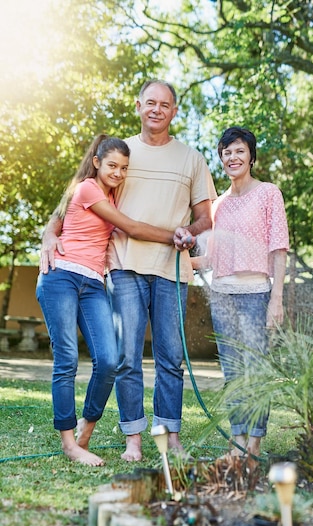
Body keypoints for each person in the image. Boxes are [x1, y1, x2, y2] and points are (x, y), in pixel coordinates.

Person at [41, 80, 217, 462]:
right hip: (124, 267)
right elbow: (70, 206)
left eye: (165, 104)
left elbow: (205, 217)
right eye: (150, 102)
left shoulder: (191, 159)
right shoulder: (119, 154)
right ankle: (133, 439)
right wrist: (47, 236)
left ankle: (171, 436)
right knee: (126, 358)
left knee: (171, 358)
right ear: (138, 106)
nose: (157, 109)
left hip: (172, 270)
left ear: (174, 111)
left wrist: (191, 230)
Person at [37, 134, 175, 466]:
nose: (118, 172)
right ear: (97, 163)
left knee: (110, 360)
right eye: (112, 165)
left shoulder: (110, 197)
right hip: (62, 278)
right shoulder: (87, 188)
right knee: (67, 359)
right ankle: (70, 443)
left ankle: (87, 425)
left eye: (124, 168)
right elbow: (131, 228)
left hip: (94, 283)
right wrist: (177, 235)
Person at [192, 126, 289, 459]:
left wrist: (276, 299)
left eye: (239, 151)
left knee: (256, 372)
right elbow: (213, 258)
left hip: (256, 294)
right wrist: (180, 258)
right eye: (226, 152)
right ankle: (237, 443)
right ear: (221, 158)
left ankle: (255, 443)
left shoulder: (268, 193)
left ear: (250, 155)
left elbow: (279, 248)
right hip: (223, 295)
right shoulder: (217, 205)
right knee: (233, 374)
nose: (232, 157)